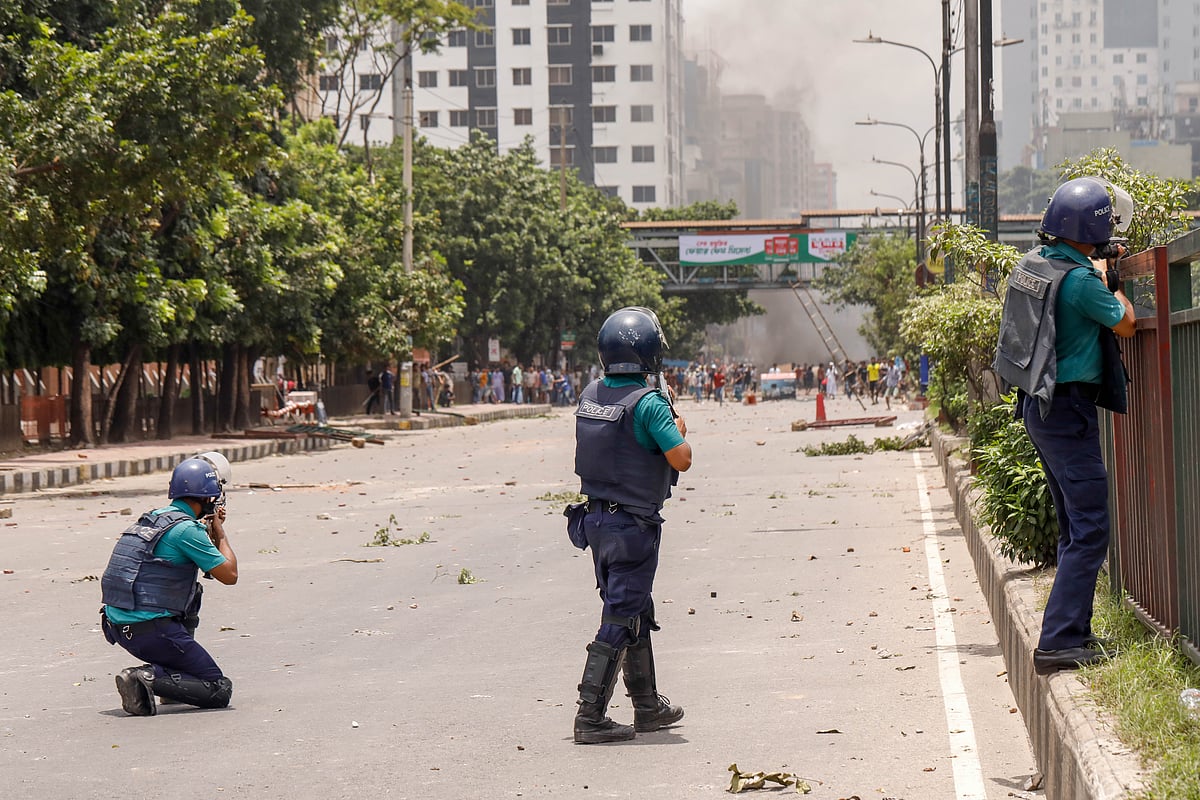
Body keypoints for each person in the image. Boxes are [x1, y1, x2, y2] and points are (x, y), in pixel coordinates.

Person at [993, 177, 1136, 676]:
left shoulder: (1038, 264)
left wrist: (1097, 267)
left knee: (1075, 526)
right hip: (1069, 412)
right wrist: (1111, 279)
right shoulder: (1081, 282)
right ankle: (1057, 641)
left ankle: (1075, 632)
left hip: (1040, 407)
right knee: (1092, 526)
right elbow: (1125, 323)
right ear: (1094, 230)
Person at [566, 307, 692, 744]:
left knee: (636, 607)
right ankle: (590, 715)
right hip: (633, 526)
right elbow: (681, 458)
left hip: (596, 521)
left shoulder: (591, 393)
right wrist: (677, 425)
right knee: (621, 615)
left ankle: (647, 705)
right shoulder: (649, 403)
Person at [99, 458, 238, 715]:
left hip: (118, 627)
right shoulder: (187, 531)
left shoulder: (154, 518)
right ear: (206, 498)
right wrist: (219, 533)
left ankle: (171, 682)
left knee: (192, 590)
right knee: (218, 688)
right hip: (150, 632)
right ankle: (144, 678)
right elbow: (229, 575)